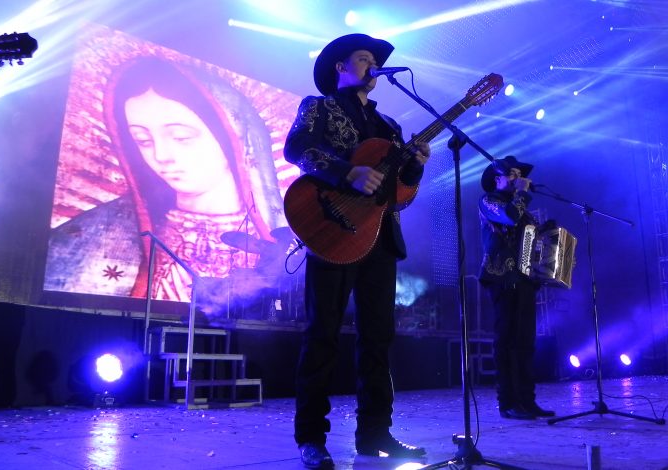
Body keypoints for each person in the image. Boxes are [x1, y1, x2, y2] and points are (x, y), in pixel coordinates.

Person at [283, 33, 430, 468]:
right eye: (364, 58)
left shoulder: (390, 128)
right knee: (322, 335)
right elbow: (297, 148)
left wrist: (416, 166)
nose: (372, 65)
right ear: (340, 67)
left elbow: (399, 196)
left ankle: (375, 435)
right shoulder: (320, 106)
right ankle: (311, 437)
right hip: (330, 228)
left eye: (374, 60)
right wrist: (347, 173)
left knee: (378, 340)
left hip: (379, 238)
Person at [44, 56, 286, 303]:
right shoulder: (99, 231)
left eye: (181, 137)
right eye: (143, 141)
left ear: (232, 137)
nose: (161, 156)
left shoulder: (281, 244)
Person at [477, 156, 556, 420]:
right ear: (496, 179)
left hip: (524, 278)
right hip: (501, 277)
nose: (516, 178)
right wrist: (521, 192)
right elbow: (510, 217)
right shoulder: (489, 201)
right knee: (507, 341)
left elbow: (528, 239)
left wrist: (546, 233)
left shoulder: (524, 209)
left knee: (525, 343)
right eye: (510, 174)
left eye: (517, 174)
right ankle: (508, 402)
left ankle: (527, 400)